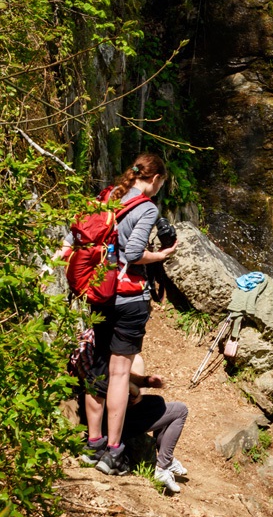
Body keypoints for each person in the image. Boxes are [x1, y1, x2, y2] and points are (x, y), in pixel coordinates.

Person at [84, 153, 178, 476]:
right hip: (128, 298)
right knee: (119, 374)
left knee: (98, 369)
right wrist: (162, 255)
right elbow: (135, 253)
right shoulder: (147, 208)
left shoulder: (111, 196)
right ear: (155, 179)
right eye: (161, 183)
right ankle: (113, 452)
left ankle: (92, 445)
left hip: (101, 294)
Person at [78, 347, 190, 494]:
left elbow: (112, 373)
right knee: (179, 410)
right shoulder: (94, 346)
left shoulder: (88, 347)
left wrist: (146, 381)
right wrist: (133, 389)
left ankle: (166, 461)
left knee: (158, 402)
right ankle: (163, 465)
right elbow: (106, 377)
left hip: (97, 418)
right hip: (112, 419)